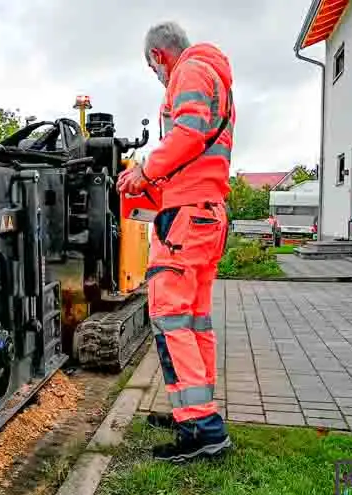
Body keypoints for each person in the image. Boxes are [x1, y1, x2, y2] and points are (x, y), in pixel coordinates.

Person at [117, 21, 235, 462]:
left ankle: (201, 430)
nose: (159, 77)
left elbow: (186, 135)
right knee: (194, 321)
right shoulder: (214, 74)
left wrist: (142, 172)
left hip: (186, 221)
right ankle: (199, 414)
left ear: (159, 57)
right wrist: (149, 184)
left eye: (154, 71)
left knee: (170, 318)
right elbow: (197, 152)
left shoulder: (189, 71)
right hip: (207, 214)